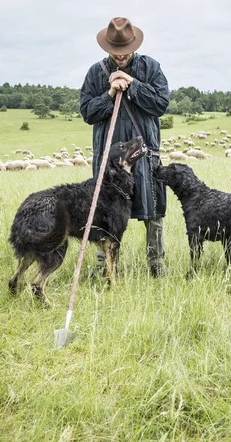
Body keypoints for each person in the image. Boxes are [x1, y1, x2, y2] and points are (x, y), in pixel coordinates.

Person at [80, 16, 170, 277]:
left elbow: (160, 105)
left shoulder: (151, 68)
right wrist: (109, 93)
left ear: (134, 46)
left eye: (124, 53)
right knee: (104, 209)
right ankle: (102, 266)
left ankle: (156, 263)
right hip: (109, 156)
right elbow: (87, 113)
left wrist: (132, 84)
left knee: (152, 209)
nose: (119, 58)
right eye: (115, 53)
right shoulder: (96, 73)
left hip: (143, 152)